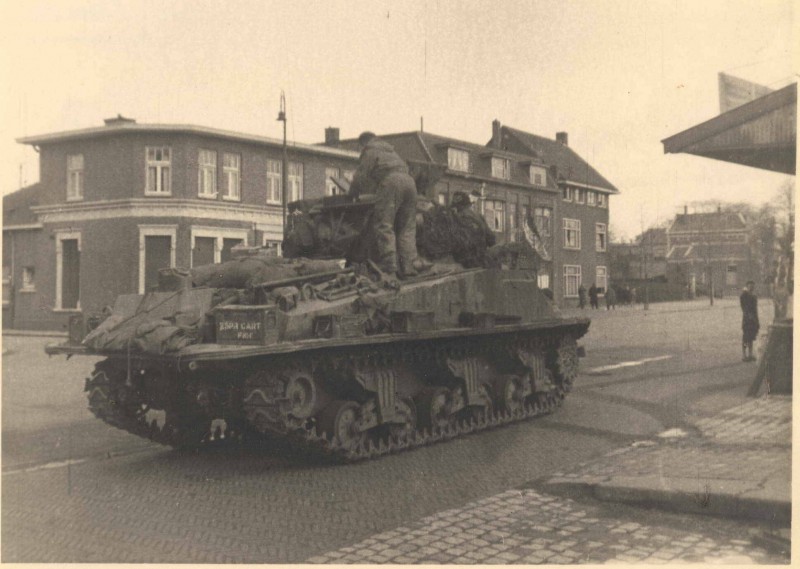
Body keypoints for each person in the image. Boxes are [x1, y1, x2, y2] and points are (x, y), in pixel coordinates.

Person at [348, 131, 428, 279]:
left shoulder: (370, 150)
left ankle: (389, 265)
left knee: (384, 224)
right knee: (407, 227)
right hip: (410, 183)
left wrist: (351, 194)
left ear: (363, 143)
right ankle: (409, 266)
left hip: (392, 182)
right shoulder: (390, 151)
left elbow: (360, 177)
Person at [740, 280, 759, 362]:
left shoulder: (754, 296)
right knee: (745, 338)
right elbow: (743, 306)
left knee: (751, 337)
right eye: (750, 286)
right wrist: (745, 292)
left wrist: (757, 320)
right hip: (747, 319)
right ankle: (744, 355)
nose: (751, 287)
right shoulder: (744, 295)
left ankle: (750, 354)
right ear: (747, 286)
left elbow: (755, 309)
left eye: (753, 286)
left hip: (753, 319)